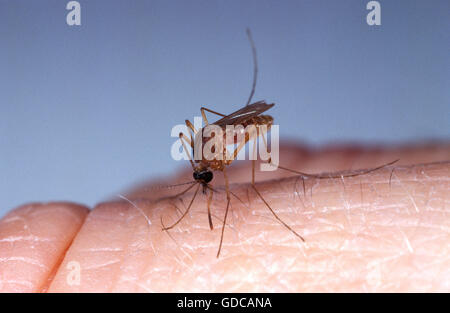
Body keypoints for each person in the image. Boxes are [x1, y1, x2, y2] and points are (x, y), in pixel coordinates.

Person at [0, 142, 448, 292]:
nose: (203, 181)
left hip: (234, 144)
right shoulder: (204, 171)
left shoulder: (216, 167)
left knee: (275, 169)